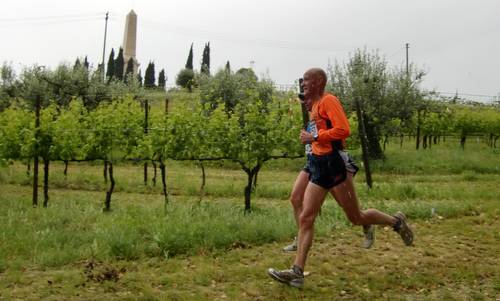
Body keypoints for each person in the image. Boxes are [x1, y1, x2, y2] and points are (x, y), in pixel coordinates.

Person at [268, 68, 414, 288]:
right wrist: (312, 142)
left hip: (335, 165)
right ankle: (297, 272)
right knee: (307, 217)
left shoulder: (329, 101)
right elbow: (319, 136)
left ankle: (396, 222)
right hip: (318, 165)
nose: (303, 84)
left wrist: (314, 136)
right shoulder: (314, 105)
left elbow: (344, 130)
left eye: (307, 80)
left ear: (318, 81)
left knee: (356, 217)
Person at [283, 94, 375, 252]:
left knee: (348, 209)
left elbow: (339, 132)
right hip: (314, 162)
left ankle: (368, 223)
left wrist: (314, 137)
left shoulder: (326, 111)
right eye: (303, 99)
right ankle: (301, 238)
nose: (305, 102)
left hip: (332, 163)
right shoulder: (311, 120)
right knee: (295, 197)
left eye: (308, 98)